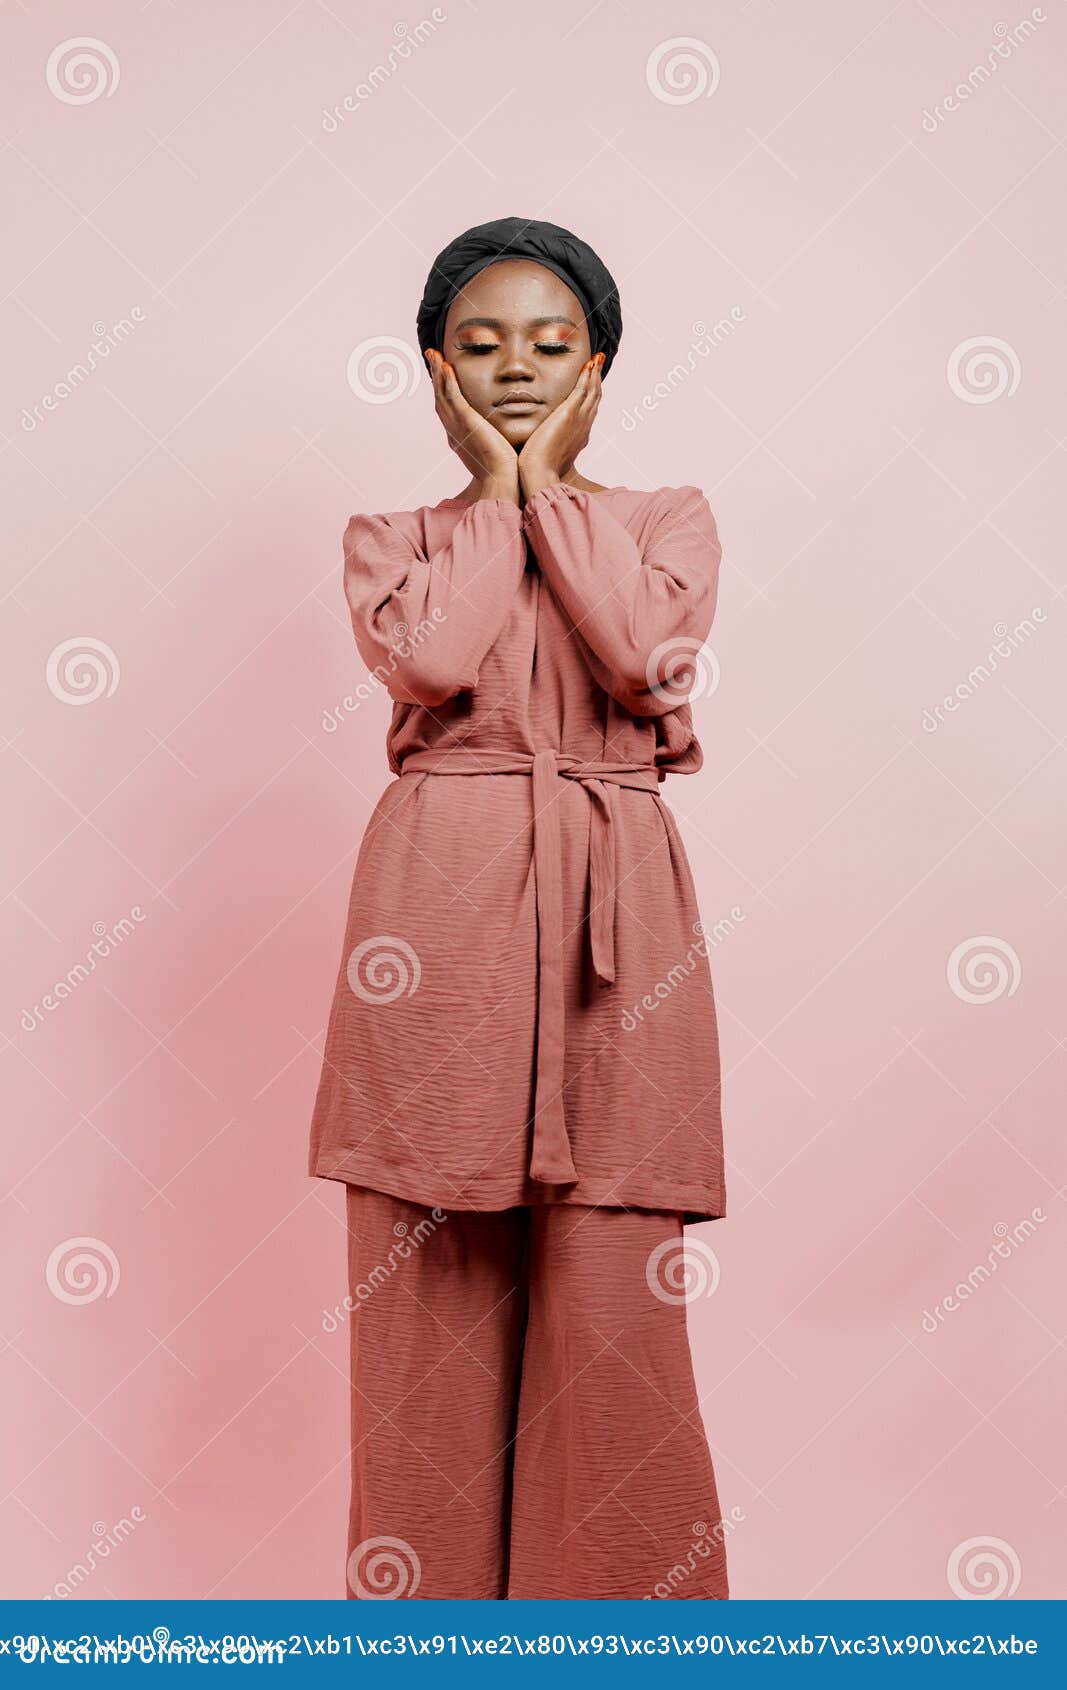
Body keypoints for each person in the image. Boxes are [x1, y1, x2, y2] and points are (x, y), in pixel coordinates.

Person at [308, 216, 730, 1600]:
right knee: (425, 1302)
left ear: (599, 364)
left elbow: (639, 651)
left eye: (551, 346)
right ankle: (425, 1641)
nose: (516, 369)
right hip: (436, 925)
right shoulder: (396, 539)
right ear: (434, 367)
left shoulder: (667, 520)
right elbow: (430, 658)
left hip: (622, 930)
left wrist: (549, 489)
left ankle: (625, 1643)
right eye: (480, 346)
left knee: (615, 1321)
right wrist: (499, 494)